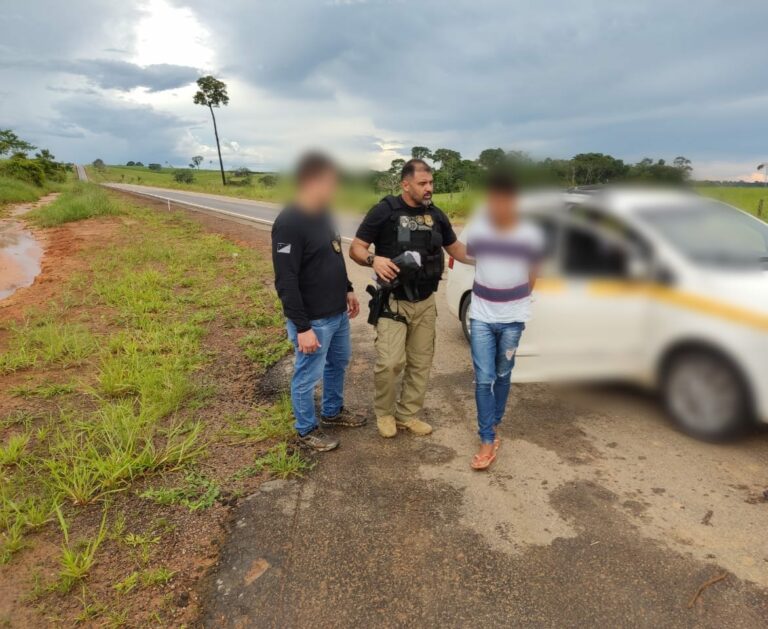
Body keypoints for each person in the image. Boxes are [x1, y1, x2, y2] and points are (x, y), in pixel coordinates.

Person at [350, 159, 472, 438]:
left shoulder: (437, 215)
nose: (429, 188)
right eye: (423, 183)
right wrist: (373, 260)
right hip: (393, 302)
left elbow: (456, 249)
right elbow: (356, 248)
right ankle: (385, 413)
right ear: (406, 184)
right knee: (390, 363)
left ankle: (408, 415)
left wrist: (492, 258)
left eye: (431, 183)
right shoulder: (385, 211)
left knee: (421, 362)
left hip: (426, 303)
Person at [272, 152, 363, 452]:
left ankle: (333, 412)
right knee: (307, 375)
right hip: (313, 320)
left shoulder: (324, 214)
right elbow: (285, 281)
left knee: (338, 363)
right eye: (330, 182)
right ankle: (306, 430)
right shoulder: (289, 223)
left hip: (336, 312)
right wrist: (302, 327)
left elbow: (333, 255)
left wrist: (348, 288)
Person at [463, 170, 543, 470]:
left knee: (503, 374)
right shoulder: (478, 227)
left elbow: (534, 270)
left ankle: (494, 422)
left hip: (513, 318)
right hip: (482, 315)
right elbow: (472, 258)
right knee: (483, 379)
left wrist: (518, 299)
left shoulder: (530, 233)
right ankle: (486, 438)